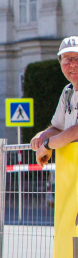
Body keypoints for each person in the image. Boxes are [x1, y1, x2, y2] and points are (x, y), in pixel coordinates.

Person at [32, 36, 78, 166]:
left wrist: (48, 144)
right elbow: (58, 128)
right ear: (60, 63)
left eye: (77, 58)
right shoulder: (67, 92)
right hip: (70, 176)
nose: (73, 64)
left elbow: (76, 131)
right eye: (67, 59)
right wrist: (43, 136)